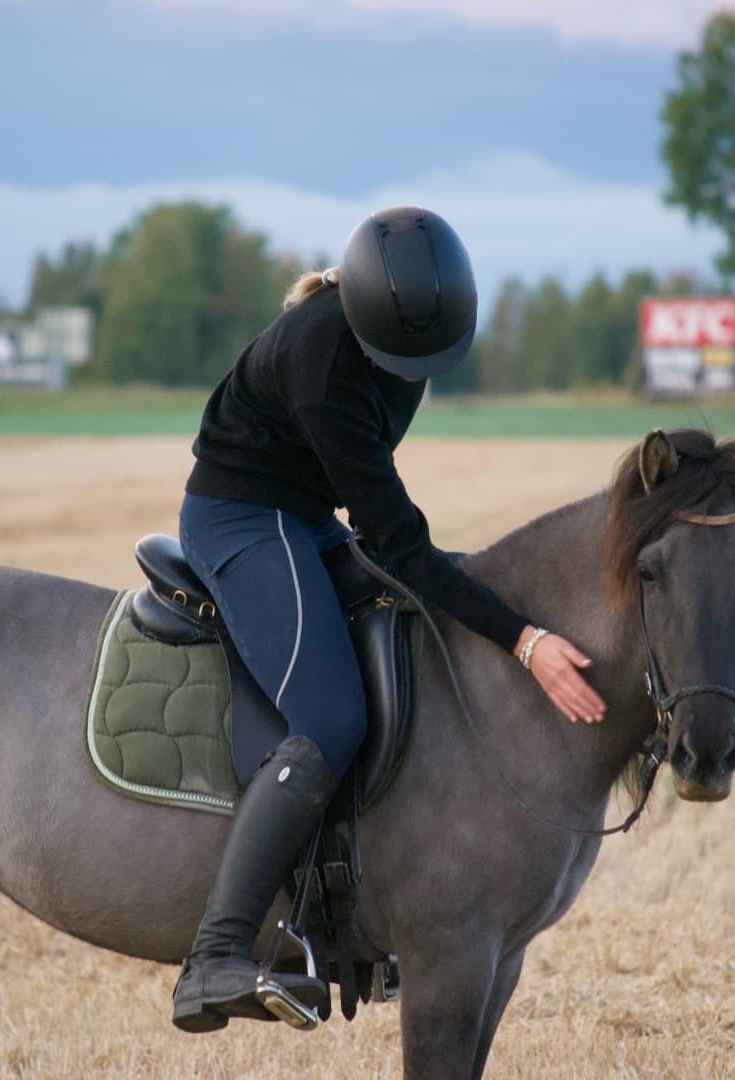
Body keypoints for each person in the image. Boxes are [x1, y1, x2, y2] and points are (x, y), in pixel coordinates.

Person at [171, 205, 606, 1033]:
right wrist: (524, 637)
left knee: (416, 636)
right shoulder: (322, 363)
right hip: (242, 516)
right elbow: (400, 541)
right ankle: (217, 954)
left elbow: (386, 532)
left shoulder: (400, 338)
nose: (414, 374)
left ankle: (375, 907)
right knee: (332, 716)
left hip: (304, 514)